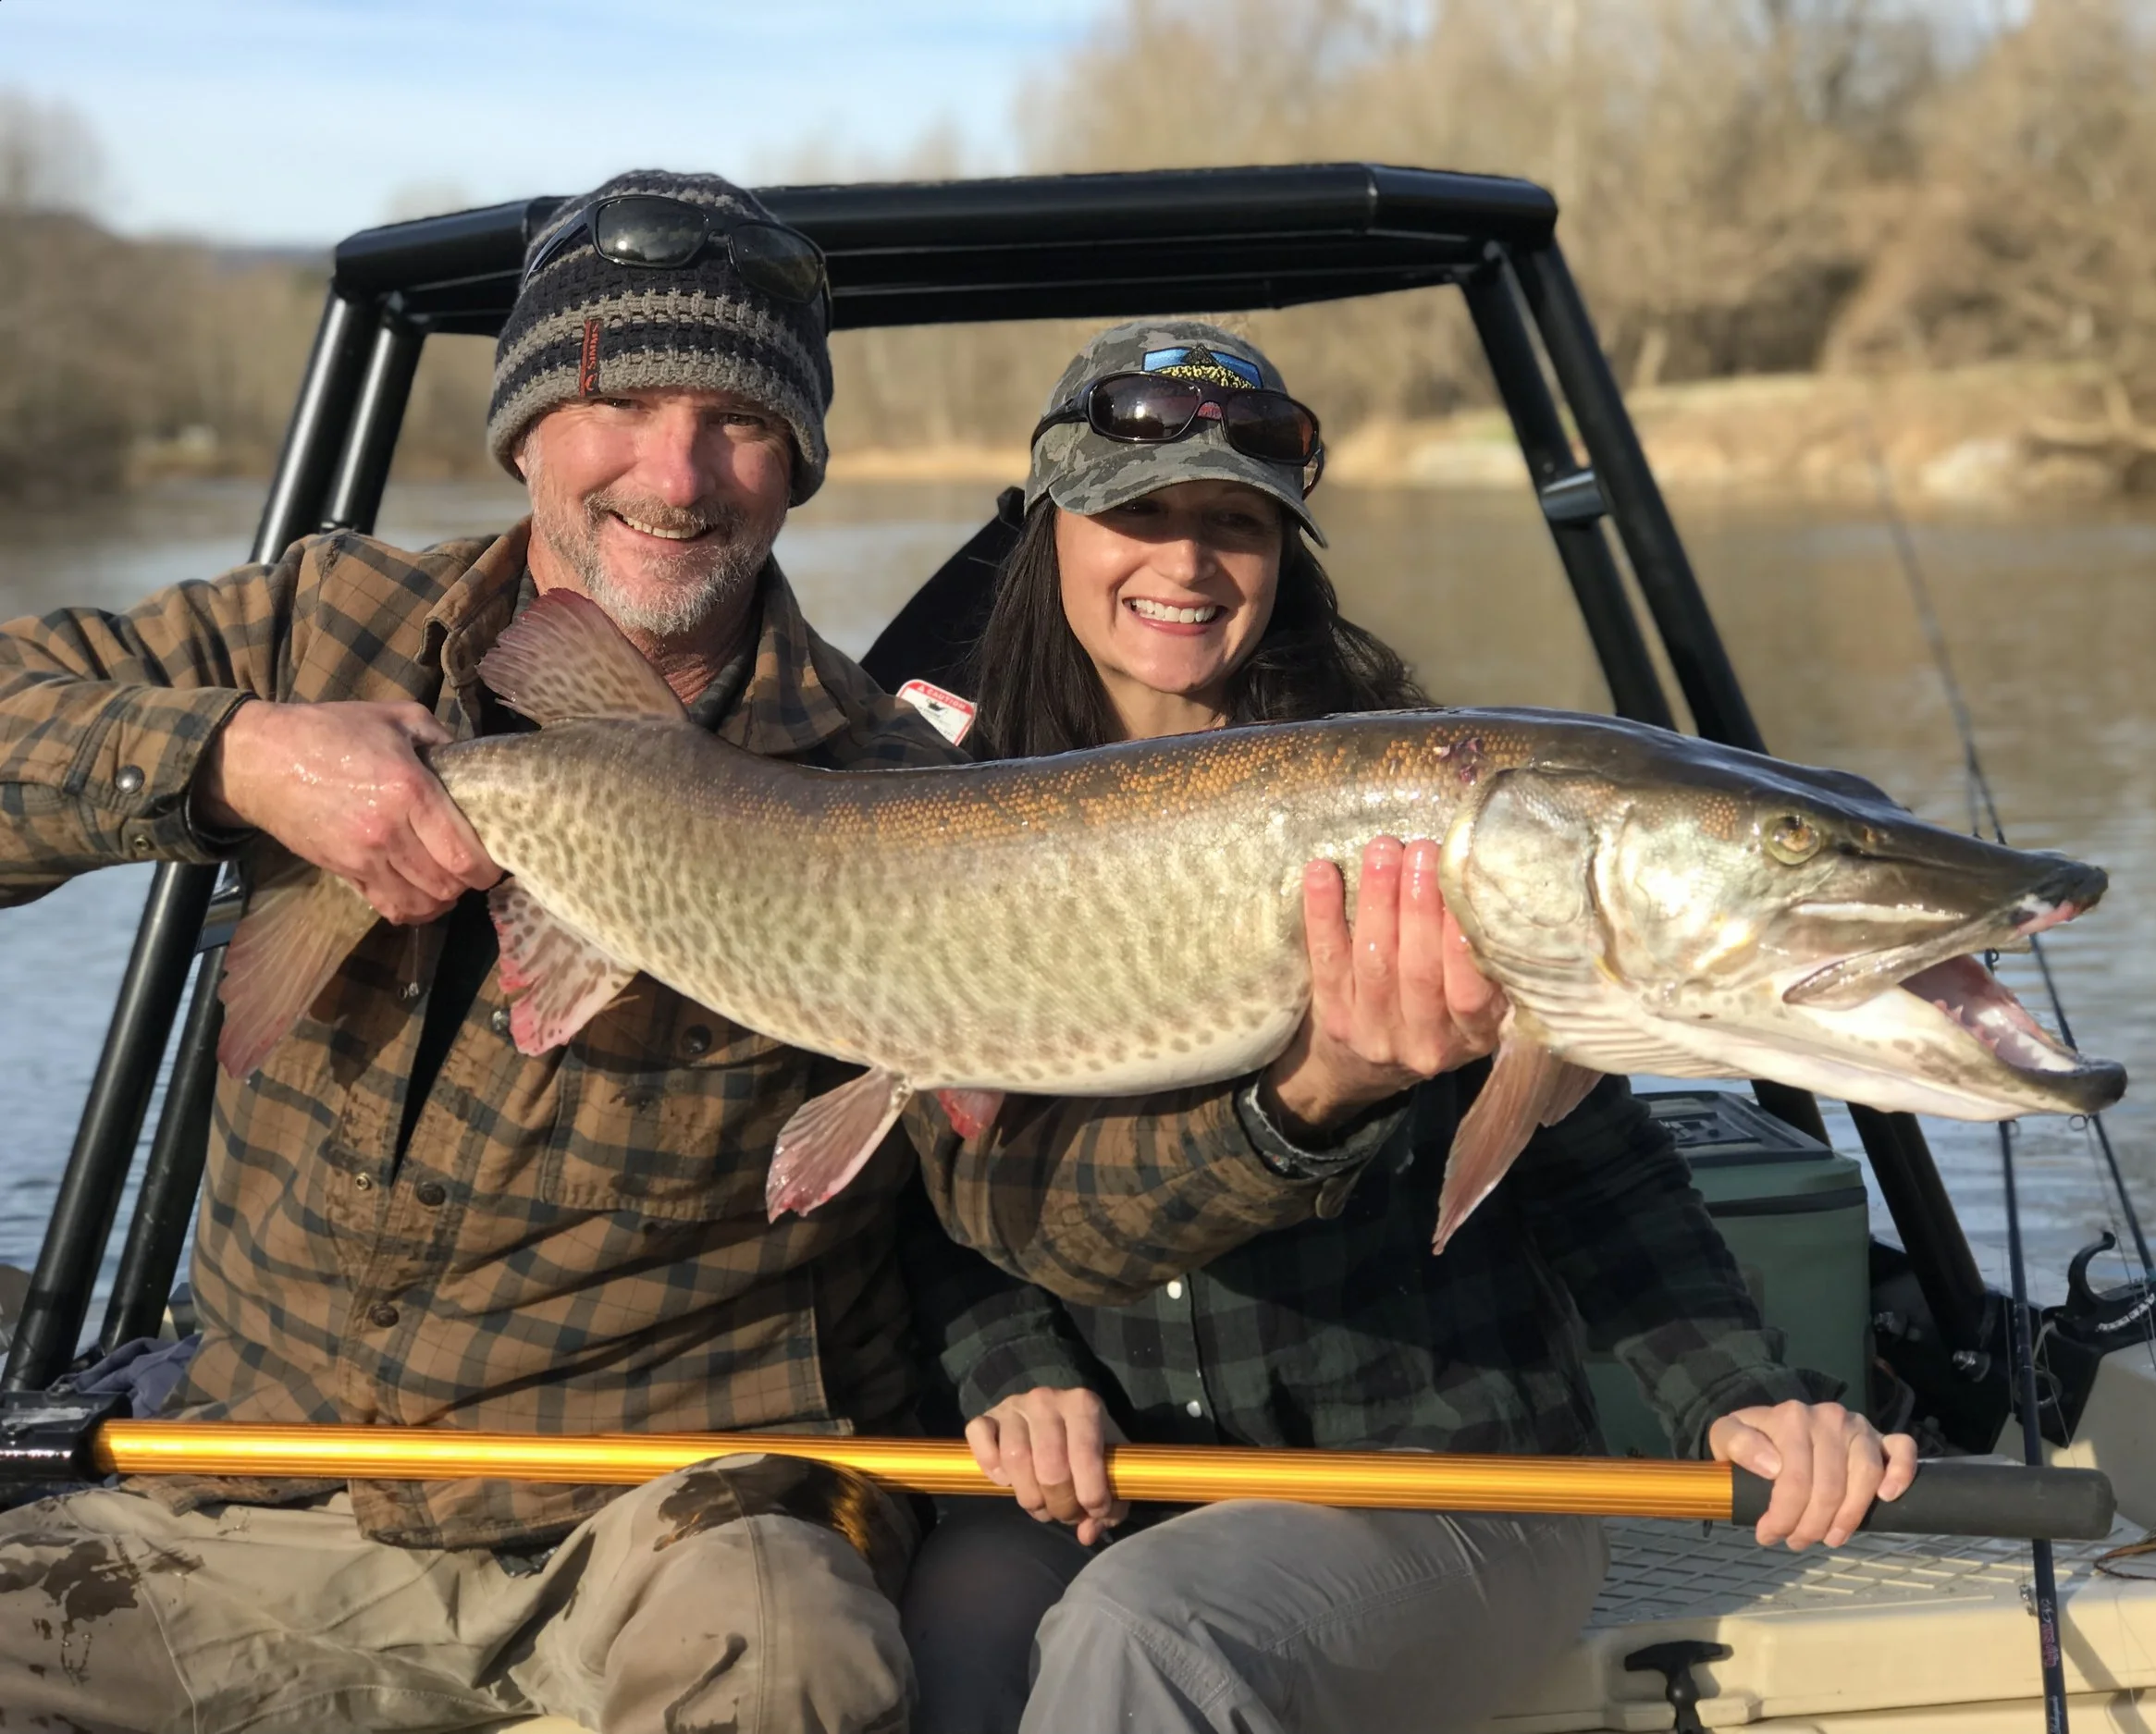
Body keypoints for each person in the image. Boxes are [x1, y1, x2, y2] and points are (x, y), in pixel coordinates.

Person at [0, 185, 1489, 1734]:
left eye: (737, 420)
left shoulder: (886, 776)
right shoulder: (323, 624)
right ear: (525, 431)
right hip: (258, 1490)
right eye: (620, 401)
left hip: (672, 1522)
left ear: (797, 467)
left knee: (796, 1658)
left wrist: (1312, 1096)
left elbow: (1023, 1209)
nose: (676, 470)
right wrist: (233, 754)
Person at [899, 319, 1922, 1734]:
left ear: (1284, 553)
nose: (1186, 563)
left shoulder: (1441, 810)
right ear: (1052, 529)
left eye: (1236, 522)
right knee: (933, 1649)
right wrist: (1010, 1369)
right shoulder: (946, 817)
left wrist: (1737, 1394)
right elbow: (941, 1188)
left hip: (1445, 1478)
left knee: (1148, 1636)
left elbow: (1593, 1158)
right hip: (1120, 1474)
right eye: (1138, 512)